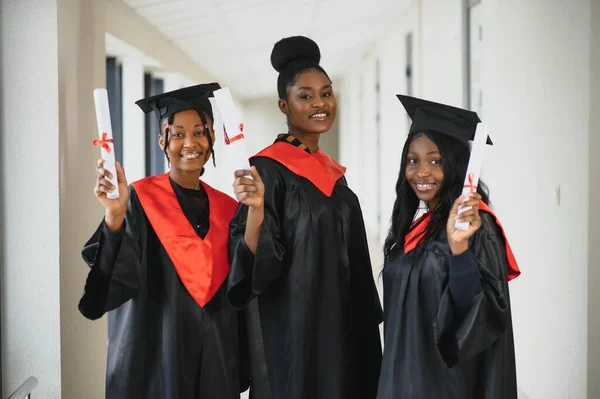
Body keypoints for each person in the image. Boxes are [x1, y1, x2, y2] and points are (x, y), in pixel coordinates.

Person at [228, 36, 382, 399]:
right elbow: (253, 261)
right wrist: (255, 211)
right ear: (284, 104)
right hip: (296, 331)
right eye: (306, 95)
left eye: (326, 93)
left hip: (344, 325)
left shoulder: (332, 172)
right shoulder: (267, 169)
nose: (320, 104)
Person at [79, 83, 248, 399]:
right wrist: (115, 217)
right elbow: (110, 283)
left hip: (215, 356)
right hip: (155, 357)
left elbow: (243, 287)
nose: (190, 142)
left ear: (212, 140)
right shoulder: (139, 200)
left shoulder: (230, 208)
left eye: (200, 132)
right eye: (178, 133)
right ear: (161, 141)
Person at [376, 94, 521, 399]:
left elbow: (480, 318)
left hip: (444, 384)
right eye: (413, 161)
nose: (421, 172)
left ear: (456, 164)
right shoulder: (417, 227)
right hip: (402, 378)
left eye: (435, 160)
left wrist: (458, 248)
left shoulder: (478, 227)